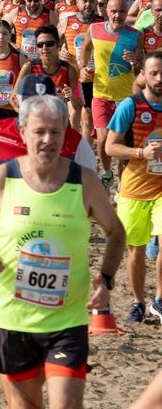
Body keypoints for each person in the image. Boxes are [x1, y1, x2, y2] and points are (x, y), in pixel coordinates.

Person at [0, 94, 125, 409]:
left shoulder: (84, 181)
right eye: (39, 132)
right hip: (12, 319)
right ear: (23, 132)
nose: (48, 140)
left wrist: (106, 278)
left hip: (68, 320)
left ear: (65, 132)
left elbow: (116, 232)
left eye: (55, 132)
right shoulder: (3, 178)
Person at [104, 50, 162, 324]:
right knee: (136, 249)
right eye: (154, 73)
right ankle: (139, 301)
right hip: (134, 188)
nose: (160, 78)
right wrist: (141, 154)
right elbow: (109, 146)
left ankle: (160, 300)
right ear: (144, 75)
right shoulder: (131, 106)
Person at [80, 0, 144, 184]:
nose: (117, 15)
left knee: (124, 142)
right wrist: (83, 66)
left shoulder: (135, 35)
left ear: (127, 12)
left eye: (122, 11)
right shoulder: (94, 29)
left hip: (126, 97)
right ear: (106, 11)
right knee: (103, 137)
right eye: (114, 11)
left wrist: (135, 61)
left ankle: (123, 178)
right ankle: (107, 172)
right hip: (101, 94)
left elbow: (141, 65)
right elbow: (85, 47)